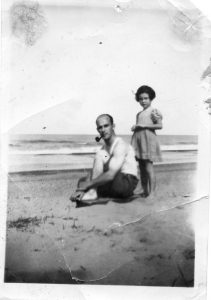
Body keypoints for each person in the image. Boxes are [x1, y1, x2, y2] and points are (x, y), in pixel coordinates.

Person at [71, 114, 138, 203]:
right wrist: (81, 189)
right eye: (100, 127)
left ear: (113, 126)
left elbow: (110, 175)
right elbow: (96, 171)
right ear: (97, 130)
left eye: (106, 126)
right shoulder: (105, 148)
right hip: (115, 183)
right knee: (83, 180)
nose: (103, 130)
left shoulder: (120, 145)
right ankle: (92, 191)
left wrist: (88, 185)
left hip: (126, 183)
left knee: (100, 154)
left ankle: (92, 193)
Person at [131, 85, 163, 197]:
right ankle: (145, 191)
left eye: (146, 98)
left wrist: (143, 125)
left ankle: (152, 193)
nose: (143, 101)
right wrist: (136, 127)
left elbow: (160, 126)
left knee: (149, 167)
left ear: (151, 98)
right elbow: (139, 126)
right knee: (141, 168)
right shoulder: (139, 114)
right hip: (139, 141)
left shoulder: (153, 111)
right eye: (141, 99)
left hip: (148, 141)